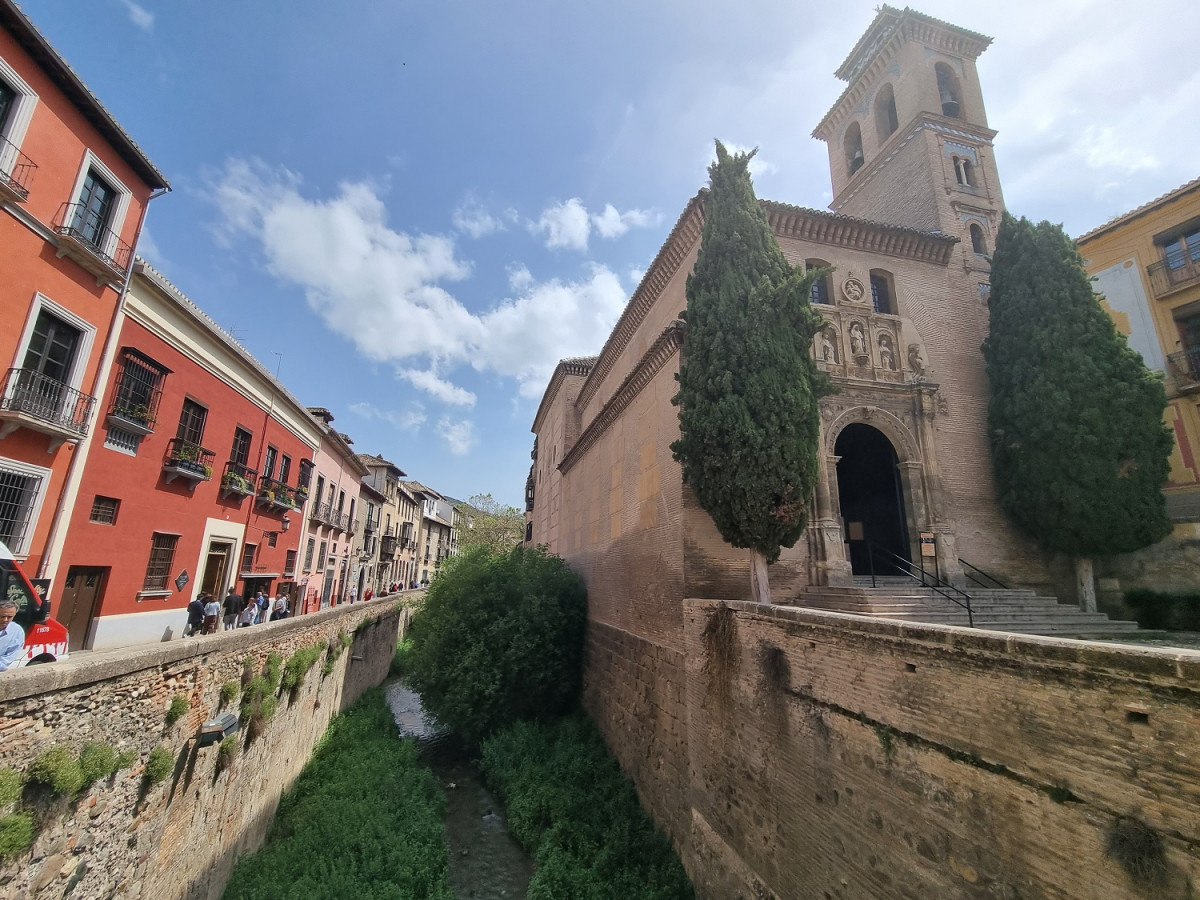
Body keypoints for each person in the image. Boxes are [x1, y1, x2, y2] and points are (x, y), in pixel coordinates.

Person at [0, 600, 25, 672]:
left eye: (9, 617)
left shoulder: (17, 632)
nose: (5, 620)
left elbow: (7, 659)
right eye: (2, 616)